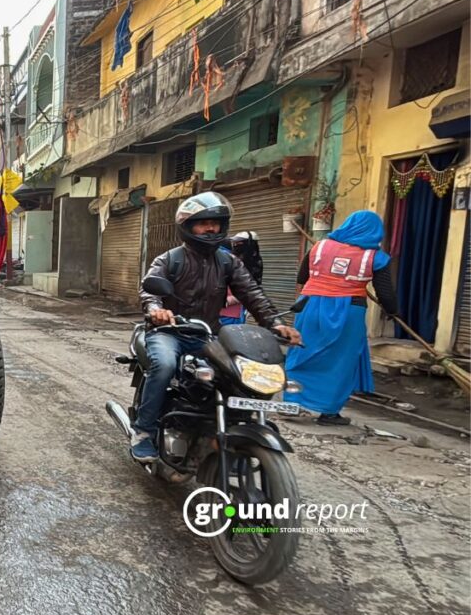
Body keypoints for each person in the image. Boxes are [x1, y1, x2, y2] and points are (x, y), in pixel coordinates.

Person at [134, 192, 301, 462]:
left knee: (238, 372)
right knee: (164, 365)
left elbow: (252, 294)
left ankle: (230, 428)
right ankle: (144, 431)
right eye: (203, 223)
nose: (210, 228)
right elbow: (149, 290)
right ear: (188, 227)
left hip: (208, 334)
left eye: (215, 223)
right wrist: (156, 311)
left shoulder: (228, 262)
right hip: (169, 332)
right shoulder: (169, 259)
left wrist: (276, 323)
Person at [285, 210, 398, 425]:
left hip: (310, 306)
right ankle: (329, 412)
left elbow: (302, 277)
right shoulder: (375, 257)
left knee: (302, 352)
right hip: (349, 311)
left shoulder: (320, 247)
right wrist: (392, 311)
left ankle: (292, 403)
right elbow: (386, 294)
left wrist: (326, 279)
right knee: (340, 361)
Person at [219, 231, 263, 326]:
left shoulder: (253, 264)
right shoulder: (229, 259)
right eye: (235, 243)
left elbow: (251, 290)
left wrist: (228, 301)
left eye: (239, 243)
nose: (235, 245)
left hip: (232, 314)